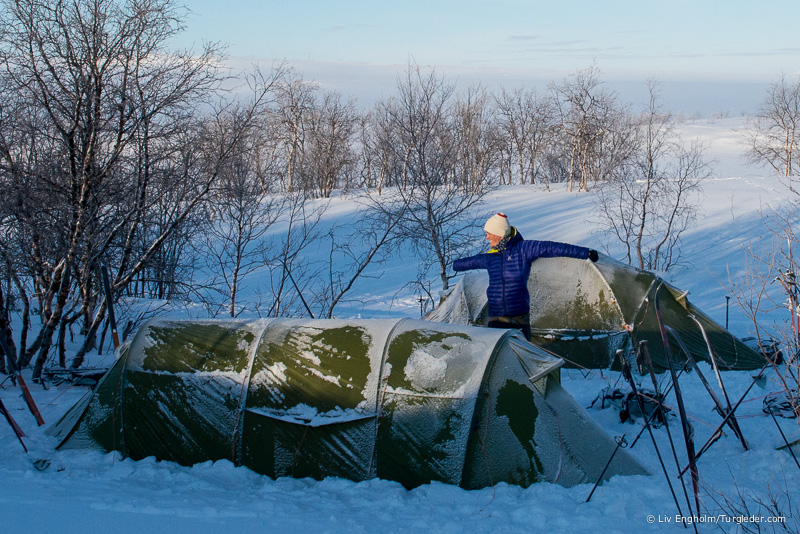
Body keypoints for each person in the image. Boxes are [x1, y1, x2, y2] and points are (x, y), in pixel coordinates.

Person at [453, 213, 598, 340]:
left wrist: (586, 253)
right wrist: (455, 264)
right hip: (495, 318)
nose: (487, 237)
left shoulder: (524, 249)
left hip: (518, 318)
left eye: (489, 233)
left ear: (499, 233)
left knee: (521, 357)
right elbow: (471, 261)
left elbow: (552, 248)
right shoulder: (491, 257)